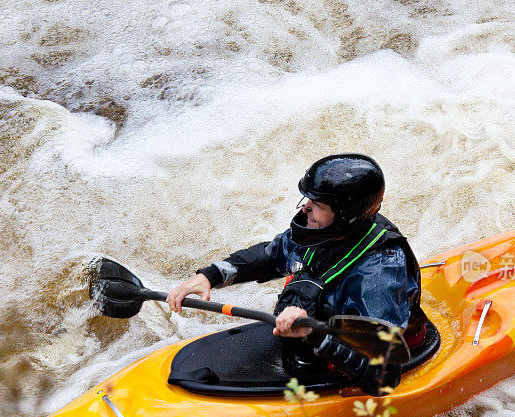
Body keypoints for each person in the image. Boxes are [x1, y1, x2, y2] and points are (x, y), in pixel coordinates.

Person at [167, 153, 426, 396]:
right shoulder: (322, 230)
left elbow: (383, 378)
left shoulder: (378, 273)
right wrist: (210, 276)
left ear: (346, 214)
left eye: (317, 204)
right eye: (308, 200)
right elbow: (272, 255)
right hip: (318, 331)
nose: (305, 209)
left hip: (357, 353)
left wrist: (312, 335)